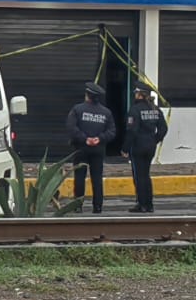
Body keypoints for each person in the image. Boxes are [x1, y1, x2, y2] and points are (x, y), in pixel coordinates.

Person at [66, 82, 117, 215]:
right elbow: (112, 131)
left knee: (79, 177)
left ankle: (78, 205)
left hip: (81, 149)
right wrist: (100, 138)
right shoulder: (106, 112)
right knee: (97, 178)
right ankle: (98, 206)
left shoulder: (77, 109)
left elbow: (71, 128)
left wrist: (85, 139)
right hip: (98, 149)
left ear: (87, 95)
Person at [124, 83, 168, 213]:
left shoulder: (135, 110)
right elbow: (163, 129)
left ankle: (142, 204)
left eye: (136, 93)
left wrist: (125, 148)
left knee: (139, 176)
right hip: (150, 146)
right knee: (146, 175)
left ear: (139, 94)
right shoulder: (155, 110)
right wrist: (154, 140)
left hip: (138, 147)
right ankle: (149, 204)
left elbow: (131, 131)